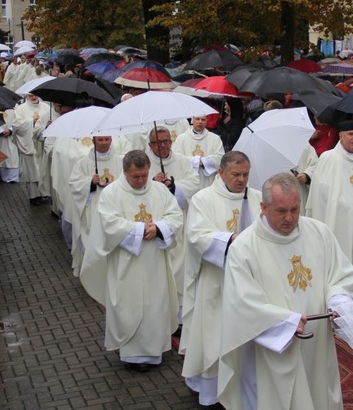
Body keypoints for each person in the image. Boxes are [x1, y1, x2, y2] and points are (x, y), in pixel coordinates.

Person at [217, 173, 353, 410]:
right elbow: (242, 304)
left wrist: (338, 299)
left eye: (295, 209)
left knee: (316, 391)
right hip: (271, 349)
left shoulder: (319, 232)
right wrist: (285, 322)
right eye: (282, 211)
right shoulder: (244, 248)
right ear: (263, 207)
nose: (290, 218)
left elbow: (341, 273)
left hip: (316, 344)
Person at [80, 150, 183, 372]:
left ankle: (155, 351)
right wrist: (138, 229)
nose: (141, 180)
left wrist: (159, 228)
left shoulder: (160, 190)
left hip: (155, 259)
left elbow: (175, 216)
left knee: (156, 305)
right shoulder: (111, 193)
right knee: (129, 305)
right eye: (136, 176)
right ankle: (133, 355)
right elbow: (109, 224)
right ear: (125, 172)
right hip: (126, 262)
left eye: (145, 175)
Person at [180, 151, 262, 406]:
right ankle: (211, 392)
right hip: (216, 280)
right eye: (236, 174)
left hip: (248, 282)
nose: (241, 180)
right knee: (214, 336)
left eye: (246, 174)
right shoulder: (204, 199)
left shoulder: (257, 198)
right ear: (221, 173)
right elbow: (196, 235)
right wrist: (229, 241)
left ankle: (242, 388)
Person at [305, 119, 353, 297]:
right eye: (350, 134)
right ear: (341, 136)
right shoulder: (328, 158)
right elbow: (319, 194)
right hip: (337, 221)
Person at [147, 127, 199, 321]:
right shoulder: (143, 163)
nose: (162, 146)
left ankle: (178, 319)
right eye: (157, 142)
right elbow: (133, 187)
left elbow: (194, 184)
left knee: (180, 270)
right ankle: (159, 314)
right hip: (155, 224)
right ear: (150, 144)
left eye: (166, 141)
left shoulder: (183, 163)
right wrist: (152, 183)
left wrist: (173, 186)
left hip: (180, 224)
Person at [66, 136, 123, 276]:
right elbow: (74, 183)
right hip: (92, 207)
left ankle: (111, 271)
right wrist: (90, 182)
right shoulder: (83, 163)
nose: (104, 143)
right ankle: (92, 272)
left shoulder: (121, 161)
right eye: (100, 140)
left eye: (107, 139)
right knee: (90, 238)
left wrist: (116, 185)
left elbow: (127, 179)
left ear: (111, 140)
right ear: (93, 141)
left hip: (115, 206)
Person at [13, 94, 51, 205]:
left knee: (43, 169)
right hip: (28, 144)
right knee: (31, 171)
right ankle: (34, 196)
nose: (34, 98)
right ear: (26, 96)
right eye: (31, 95)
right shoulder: (20, 109)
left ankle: (45, 193)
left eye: (35, 95)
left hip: (42, 144)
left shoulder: (46, 107)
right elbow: (16, 126)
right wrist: (31, 121)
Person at [172, 115, 225, 189]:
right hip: (188, 180)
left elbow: (221, 158)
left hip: (208, 181)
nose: (200, 122)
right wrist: (195, 161)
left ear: (206, 122)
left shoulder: (215, 138)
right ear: (192, 121)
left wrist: (204, 161)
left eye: (203, 120)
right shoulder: (181, 138)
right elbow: (176, 158)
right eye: (197, 119)